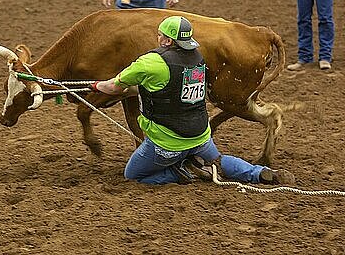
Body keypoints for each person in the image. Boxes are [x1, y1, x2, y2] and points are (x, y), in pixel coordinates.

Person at [89, 16, 295, 185]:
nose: (158, 38)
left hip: (167, 142)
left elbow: (113, 87)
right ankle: (260, 173)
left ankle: (185, 172)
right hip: (200, 137)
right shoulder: (197, 57)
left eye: (160, 35)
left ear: (168, 41)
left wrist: (95, 85)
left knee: (133, 175)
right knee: (219, 161)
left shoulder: (150, 62)